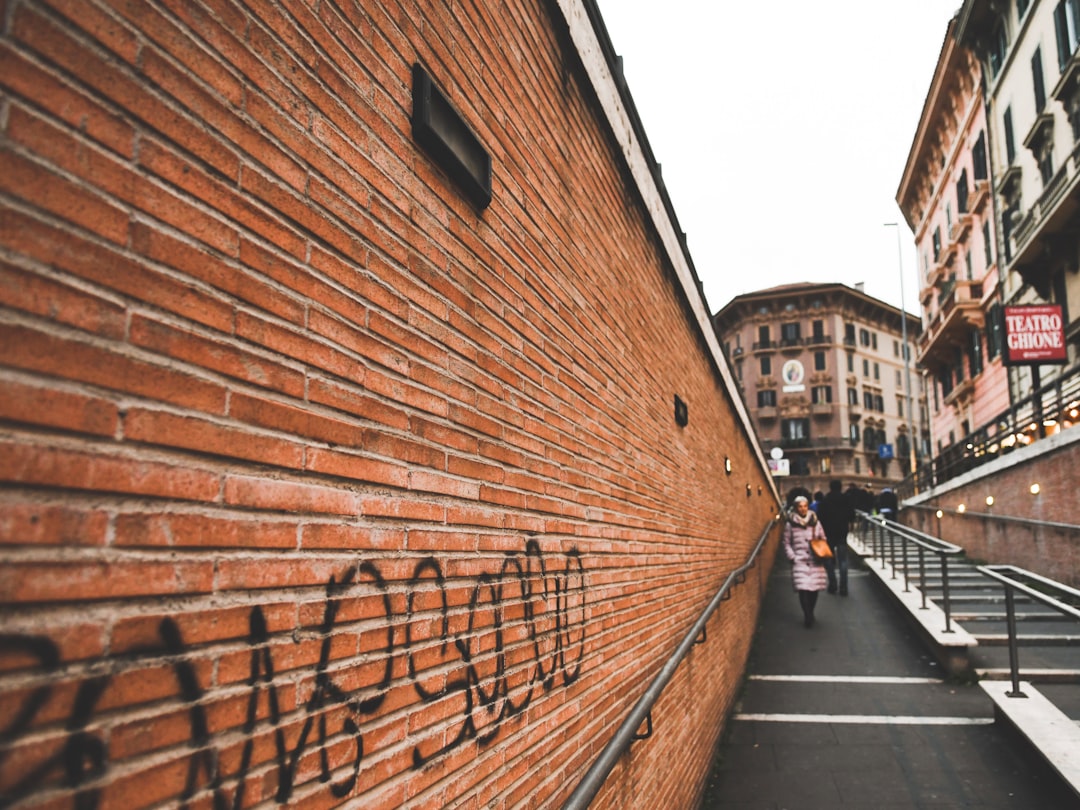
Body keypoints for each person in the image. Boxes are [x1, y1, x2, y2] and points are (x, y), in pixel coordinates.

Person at [782, 495, 828, 627]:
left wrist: (820, 549)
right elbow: (786, 543)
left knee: (814, 590)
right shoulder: (790, 524)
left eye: (805, 506)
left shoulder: (815, 522)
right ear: (796, 508)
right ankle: (807, 616)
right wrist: (792, 557)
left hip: (815, 560)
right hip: (800, 560)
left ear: (808, 507)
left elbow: (823, 538)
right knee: (803, 589)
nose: (803, 509)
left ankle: (811, 612)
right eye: (800, 507)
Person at [818, 480, 855, 595]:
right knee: (843, 560)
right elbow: (851, 515)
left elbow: (820, 517)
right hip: (842, 532)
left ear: (830, 487)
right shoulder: (846, 499)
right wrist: (850, 524)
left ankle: (833, 584)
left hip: (829, 533)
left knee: (828, 560)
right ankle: (843, 587)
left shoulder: (825, 500)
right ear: (840, 487)